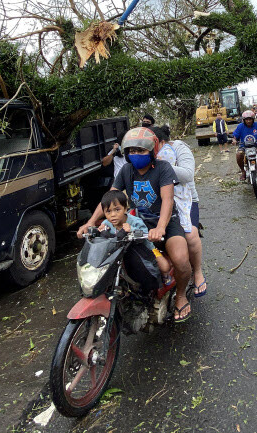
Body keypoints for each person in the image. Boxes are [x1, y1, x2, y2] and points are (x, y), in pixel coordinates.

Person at [77, 127, 193, 322]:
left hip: (166, 223)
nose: (136, 154)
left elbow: (167, 200)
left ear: (152, 151)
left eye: (141, 150)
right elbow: (109, 198)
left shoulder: (163, 168)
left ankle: (181, 296)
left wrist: (161, 227)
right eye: (132, 151)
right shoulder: (126, 170)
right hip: (137, 222)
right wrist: (90, 223)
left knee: (181, 259)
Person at [154, 126, 207, 297]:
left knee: (190, 234)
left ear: (161, 142)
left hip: (185, 200)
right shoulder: (143, 155)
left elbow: (187, 175)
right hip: (160, 201)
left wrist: (158, 167)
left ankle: (197, 272)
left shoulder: (178, 148)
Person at [97, 189, 172, 283]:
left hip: (144, 249)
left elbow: (144, 233)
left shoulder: (135, 221)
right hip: (120, 252)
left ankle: (165, 276)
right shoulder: (106, 223)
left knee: (165, 267)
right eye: (108, 211)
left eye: (117, 210)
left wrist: (132, 229)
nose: (113, 215)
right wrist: (100, 231)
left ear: (125, 209)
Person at [232, 110, 257, 181]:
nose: (248, 121)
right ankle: (243, 171)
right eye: (247, 119)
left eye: (250, 119)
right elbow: (235, 135)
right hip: (243, 146)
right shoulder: (240, 126)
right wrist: (234, 140)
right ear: (244, 120)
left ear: (253, 119)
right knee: (238, 155)